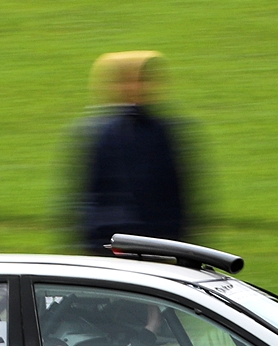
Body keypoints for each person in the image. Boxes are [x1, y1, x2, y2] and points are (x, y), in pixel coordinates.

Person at [70, 51, 196, 253]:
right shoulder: (101, 132)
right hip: (112, 246)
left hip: (157, 245)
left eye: (143, 80)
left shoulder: (164, 131)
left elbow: (180, 196)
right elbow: (87, 198)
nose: (137, 87)